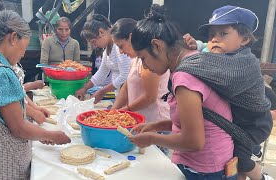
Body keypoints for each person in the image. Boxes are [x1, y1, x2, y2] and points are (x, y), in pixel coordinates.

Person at [0, 10, 71, 179]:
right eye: (24, 47)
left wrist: (38, 133)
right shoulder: (2, 74)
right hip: (5, 165)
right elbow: (19, 128)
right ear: (13, 38)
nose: (23, 54)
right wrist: (52, 135)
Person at [128, 5, 234, 179]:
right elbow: (197, 119)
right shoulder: (190, 59)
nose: (144, 66)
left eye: (143, 58)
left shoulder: (185, 77)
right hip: (211, 163)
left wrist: (152, 139)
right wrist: (158, 126)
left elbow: (194, 141)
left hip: (206, 169)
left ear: (157, 46)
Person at [182, 5, 274, 180]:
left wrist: (183, 63)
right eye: (211, 35)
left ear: (245, 39)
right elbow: (208, 53)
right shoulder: (223, 55)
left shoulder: (245, 63)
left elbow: (216, 71)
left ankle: (261, 178)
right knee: (232, 159)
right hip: (238, 120)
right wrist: (197, 46)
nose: (215, 39)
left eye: (223, 34)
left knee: (241, 158)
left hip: (254, 123)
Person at [110, 18, 170, 123]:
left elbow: (150, 97)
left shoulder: (149, 59)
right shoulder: (135, 59)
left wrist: (126, 110)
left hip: (156, 122)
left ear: (131, 37)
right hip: (142, 122)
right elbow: (126, 87)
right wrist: (112, 113)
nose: (121, 51)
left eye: (121, 46)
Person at [75, 14, 131, 104]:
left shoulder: (119, 46)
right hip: (120, 95)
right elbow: (102, 72)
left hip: (128, 96)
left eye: (93, 41)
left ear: (101, 32)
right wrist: (84, 88)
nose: (94, 45)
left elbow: (125, 75)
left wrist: (102, 91)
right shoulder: (107, 49)